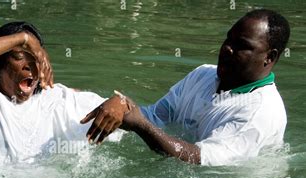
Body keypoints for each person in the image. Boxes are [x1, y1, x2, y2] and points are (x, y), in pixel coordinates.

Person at [83, 9, 290, 166]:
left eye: (241, 46)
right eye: (228, 38)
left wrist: (141, 126)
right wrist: (121, 105)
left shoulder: (261, 111)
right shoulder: (203, 75)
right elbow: (156, 116)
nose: (227, 48)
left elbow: (200, 160)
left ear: (269, 57)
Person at [0, 21, 124, 166]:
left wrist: (119, 102)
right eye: (19, 56)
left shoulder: (57, 98)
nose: (30, 65)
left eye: (36, 58)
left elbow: (123, 110)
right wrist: (24, 39)